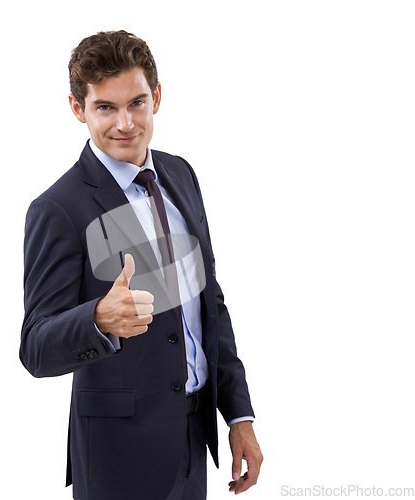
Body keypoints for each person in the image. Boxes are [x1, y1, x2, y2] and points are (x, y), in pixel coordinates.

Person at [20, 30, 263, 500]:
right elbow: (35, 346)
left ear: (157, 97)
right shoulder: (60, 208)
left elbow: (210, 303)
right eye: (105, 108)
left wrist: (239, 416)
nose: (125, 123)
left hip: (194, 442)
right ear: (78, 109)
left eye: (136, 103)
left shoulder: (179, 174)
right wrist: (96, 320)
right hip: (119, 458)